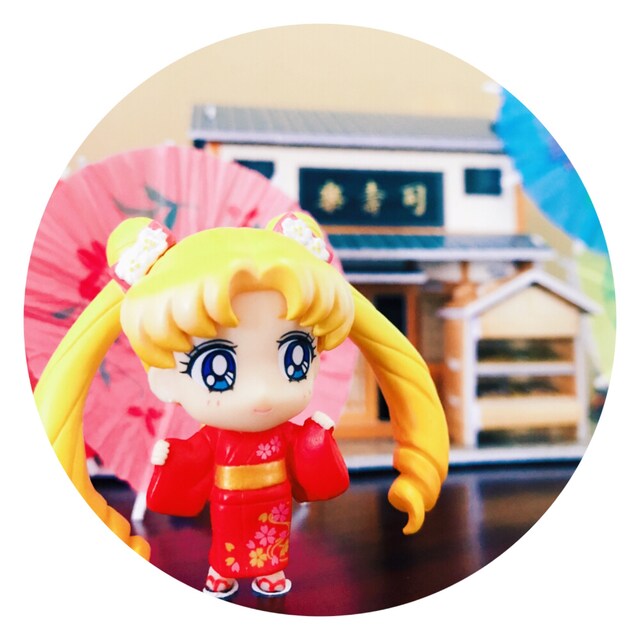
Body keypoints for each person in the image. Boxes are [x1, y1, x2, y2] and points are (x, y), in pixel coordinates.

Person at [34, 211, 449, 598]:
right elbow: (191, 464)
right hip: (229, 499)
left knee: (272, 538)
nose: (262, 392)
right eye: (217, 367)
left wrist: (315, 440)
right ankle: (222, 571)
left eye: (295, 357)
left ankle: (271, 572)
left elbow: (315, 470)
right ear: (164, 379)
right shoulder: (213, 439)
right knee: (227, 540)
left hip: (274, 498)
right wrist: (172, 458)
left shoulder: (279, 432)